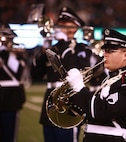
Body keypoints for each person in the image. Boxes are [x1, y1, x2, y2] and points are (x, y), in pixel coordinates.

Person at [65, 28, 126, 142]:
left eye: (110, 51)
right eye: (105, 50)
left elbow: (102, 112)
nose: (104, 55)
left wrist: (80, 88)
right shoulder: (112, 79)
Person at [31, 6, 91, 142]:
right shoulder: (52, 48)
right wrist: (43, 50)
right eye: (60, 23)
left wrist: (64, 44)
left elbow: (74, 71)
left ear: (75, 27)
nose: (60, 26)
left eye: (65, 23)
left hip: (70, 103)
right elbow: (35, 74)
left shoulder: (82, 49)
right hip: (51, 101)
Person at [0, 25, 26, 142]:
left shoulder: (14, 56)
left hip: (10, 99)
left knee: (9, 135)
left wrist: (7, 51)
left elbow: (18, 71)